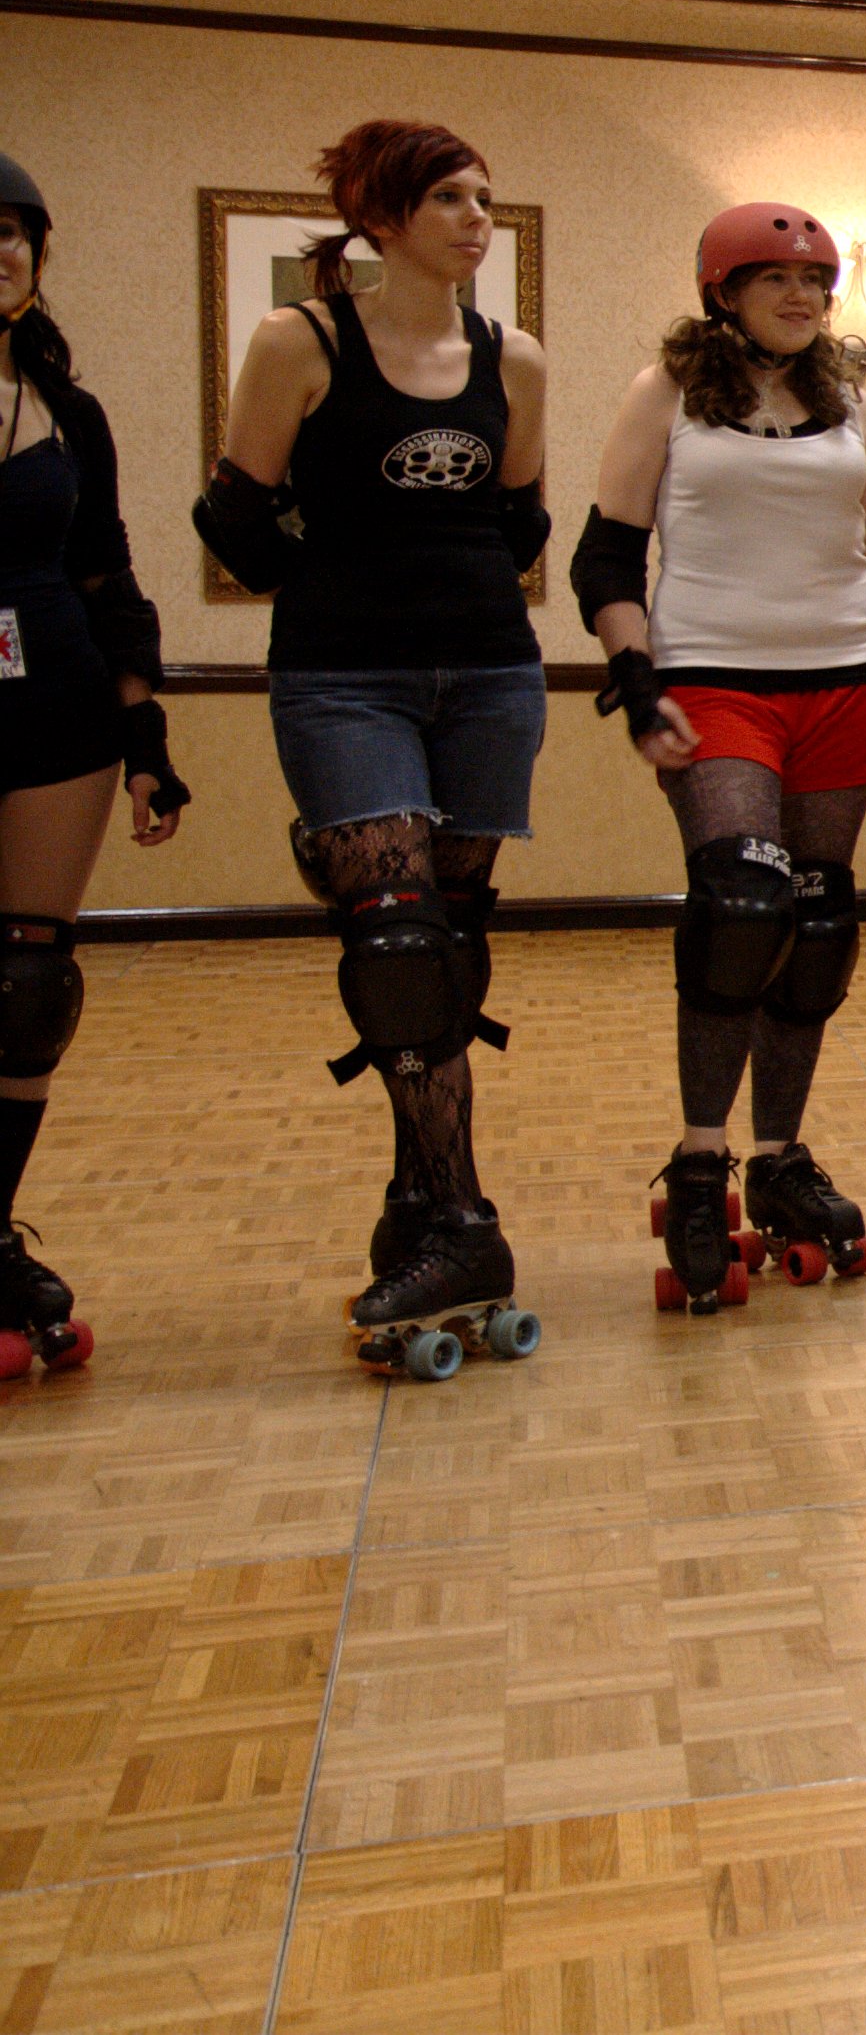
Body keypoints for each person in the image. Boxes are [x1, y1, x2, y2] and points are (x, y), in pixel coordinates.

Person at [196, 119, 549, 1378]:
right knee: (397, 946)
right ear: (382, 220)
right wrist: (338, 583)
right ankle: (466, 1223)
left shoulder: (515, 358)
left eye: (485, 197)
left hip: (490, 674)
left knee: (445, 948)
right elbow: (235, 517)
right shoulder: (300, 341)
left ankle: (417, 1197)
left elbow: (520, 519)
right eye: (449, 197)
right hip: (343, 678)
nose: (476, 218)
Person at [573, 202, 866, 1314]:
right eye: (775, 277)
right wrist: (638, 682)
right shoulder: (668, 395)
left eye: (816, 281)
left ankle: (778, 1156)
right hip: (714, 681)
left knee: (816, 928)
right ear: (722, 293)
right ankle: (700, 1164)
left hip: (842, 684)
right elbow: (606, 555)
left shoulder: (851, 404)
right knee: (742, 907)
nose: (801, 296)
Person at [0, 152, 188, 1382]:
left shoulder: (69, 412)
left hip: (57, 705)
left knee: (27, 989)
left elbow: (107, 573)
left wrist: (146, 741)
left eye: (17, 233)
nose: (3, 251)